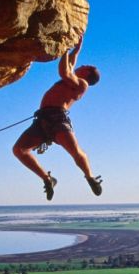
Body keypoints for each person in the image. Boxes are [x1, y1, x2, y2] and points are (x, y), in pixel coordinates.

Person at [11, 33, 102, 200]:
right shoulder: (74, 79)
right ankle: (48, 179)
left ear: (87, 73)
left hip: (58, 119)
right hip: (42, 120)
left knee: (75, 152)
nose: (81, 65)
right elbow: (71, 63)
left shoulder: (82, 84)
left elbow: (64, 71)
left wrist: (65, 47)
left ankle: (90, 177)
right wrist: (76, 49)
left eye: (85, 66)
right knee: (19, 150)